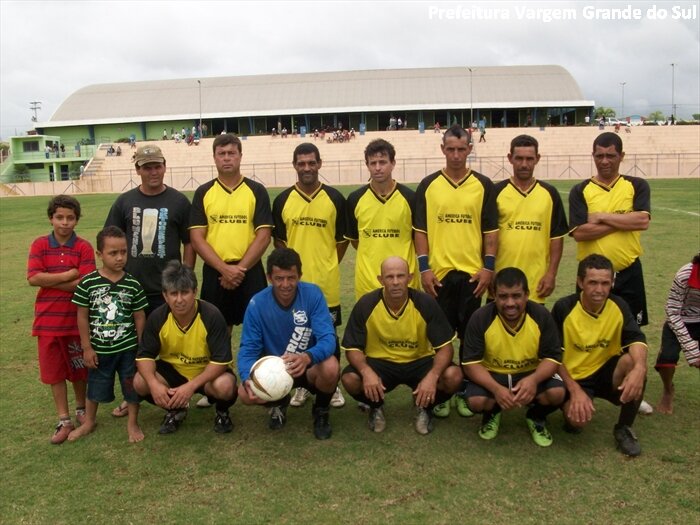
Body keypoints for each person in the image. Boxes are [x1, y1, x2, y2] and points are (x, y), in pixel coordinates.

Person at [414, 123, 498, 418]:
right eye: (450, 149)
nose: (456, 155)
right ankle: (443, 390)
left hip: (473, 275)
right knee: (440, 337)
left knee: (469, 336)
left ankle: (464, 388)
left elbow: (490, 232)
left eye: (461, 149)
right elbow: (420, 232)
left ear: (470, 150)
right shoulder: (428, 184)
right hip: (439, 275)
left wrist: (488, 268)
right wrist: (424, 269)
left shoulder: (484, 184)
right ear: (442, 149)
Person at [105, 144, 195, 416]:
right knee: (133, 345)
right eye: (147, 167)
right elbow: (112, 238)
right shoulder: (124, 201)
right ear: (137, 170)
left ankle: (176, 391)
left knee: (167, 344)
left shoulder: (179, 201)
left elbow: (189, 242)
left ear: (165, 166)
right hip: (131, 289)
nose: (153, 172)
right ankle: (132, 396)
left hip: (167, 290)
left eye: (157, 166)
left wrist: (185, 277)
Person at [341, 256, 462, 434]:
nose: (396, 282)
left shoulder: (425, 303)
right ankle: (376, 406)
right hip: (381, 362)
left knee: (454, 376)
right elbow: (353, 348)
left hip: (418, 361)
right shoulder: (366, 304)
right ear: (380, 280)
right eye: (390, 277)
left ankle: (425, 406)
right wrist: (367, 372)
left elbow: (445, 348)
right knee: (350, 379)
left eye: (401, 276)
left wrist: (433, 376)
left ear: (410, 278)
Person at [272, 143, 347, 410]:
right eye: (301, 163)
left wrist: (326, 263)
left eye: (311, 162)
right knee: (298, 333)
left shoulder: (335, 199)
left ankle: (332, 383)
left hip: (326, 282)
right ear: (294, 165)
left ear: (319, 163)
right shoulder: (282, 200)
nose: (307, 168)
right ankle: (301, 386)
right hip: (294, 285)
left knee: (329, 334)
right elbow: (280, 242)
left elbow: (341, 241)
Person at [237, 248, 339, 440]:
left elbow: (328, 338)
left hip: (307, 366)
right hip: (274, 370)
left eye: (291, 278)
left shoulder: (313, 295)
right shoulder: (257, 304)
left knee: (331, 367)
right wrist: (246, 378)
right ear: (269, 277)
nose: (285, 284)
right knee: (244, 393)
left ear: (299, 275)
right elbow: (248, 349)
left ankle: (321, 411)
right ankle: (278, 402)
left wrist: (307, 356)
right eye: (279, 278)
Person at [552, 254, 648, 457]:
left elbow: (637, 339)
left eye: (605, 283)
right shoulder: (564, 308)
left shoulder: (619, 305)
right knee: (577, 421)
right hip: (575, 377)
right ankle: (572, 409)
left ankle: (624, 428)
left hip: (606, 373)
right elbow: (553, 358)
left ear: (612, 282)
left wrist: (640, 368)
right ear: (580, 282)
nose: (599, 290)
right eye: (593, 282)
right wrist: (575, 390)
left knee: (634, 362)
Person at [461, 268, 565, 447]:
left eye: (516, 296)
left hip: (529, 373)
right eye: (503, 296)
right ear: (494, 295)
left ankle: (536, 416)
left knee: (557, 393)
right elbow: (471, 364)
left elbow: (553, 358)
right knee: (476, 401)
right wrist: (496, 389)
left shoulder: (541, 316)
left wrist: (533, 379)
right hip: (494, 374)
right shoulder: (481, 318)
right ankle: (492, 413)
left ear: (527, 295)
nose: (510, 303)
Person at [134, 261, 237, 435]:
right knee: (140, 382)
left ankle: (222, 412)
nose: (179, 299)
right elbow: (144, 356)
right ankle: (176, 410)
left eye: (185, 292)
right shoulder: (158, 317)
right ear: (165, 296)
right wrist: (153, 384)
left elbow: (221, 361)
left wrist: (190, 387)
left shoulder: (211, 315)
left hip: (206, 372)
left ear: (195, 292)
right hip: (173, 371)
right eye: (173, 293)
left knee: (225, 385)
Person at [68, 226, 148, 442]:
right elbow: (82, 316)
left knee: (131, 386)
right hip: (100, 350)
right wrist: (86, 347)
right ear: (99, 254)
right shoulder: (88, 283)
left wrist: (141, 347)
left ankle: (132, 423)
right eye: (113, 253)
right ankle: (89, 421)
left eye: (123, 252)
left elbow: (140, 316)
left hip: (128, 349)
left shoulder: (132, 284)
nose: (120, 257)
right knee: (95, 386)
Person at [27, 195, 96, 444]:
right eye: (60, 217)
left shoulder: (84, 247)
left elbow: (85, 285)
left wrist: (51, 279)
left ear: (76, 220)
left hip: (77, 320)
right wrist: (68, 274)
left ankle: (81, 409)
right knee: (54, 372)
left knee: (79, 369)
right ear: (51, 218)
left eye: (70, 218)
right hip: (47, 322)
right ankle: (63, 418)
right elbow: (33, 278)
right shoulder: (39, 245)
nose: (64, 223)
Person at [189, 133, 272, 332]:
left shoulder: (256, 190)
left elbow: (264, 236)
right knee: (218, 331)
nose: (227, 158)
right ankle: (223, 365)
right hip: (215, 273)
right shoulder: (203, 192)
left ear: (240, 156)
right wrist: (224, 269)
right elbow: (197, 238)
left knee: (258, 330)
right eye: (222, 153)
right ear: (214, 157)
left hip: (249, 271)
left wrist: (239, 269)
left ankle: (256, 364)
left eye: (232, 153)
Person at [569, 132, 651, 326]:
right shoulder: (580, 190)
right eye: (599, 156)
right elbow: (579, 233)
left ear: (621, 156)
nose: (604, 161)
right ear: (593, 156)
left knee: (631, 331)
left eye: (611, 156)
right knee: (590, 330)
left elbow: (642, 221)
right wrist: (624, 220)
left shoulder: (637, 185)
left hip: (629, 272)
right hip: (591, 276)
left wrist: (601, 217)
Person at [494, 135, 568, 303]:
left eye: (529, 159)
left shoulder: (550, 193)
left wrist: (551, 274)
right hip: (500, 283)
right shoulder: (496, 192)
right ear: (510, 158)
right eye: (519, 158)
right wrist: (488, 269)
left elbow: (556, 238)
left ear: (537, 159)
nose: (524, 164)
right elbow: (487, 237)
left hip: (536, 284)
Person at [346, 138, 420, 301]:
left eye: (383, 162)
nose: (378, 168)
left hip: (404, 282)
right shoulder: (355, 199)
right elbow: (356, 241)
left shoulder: (410, 198)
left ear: (393, 163)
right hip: (367, 283)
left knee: (406, 326)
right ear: (367, 165)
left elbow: (418, 239)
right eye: (373, 163)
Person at [654, 253, 700, 413]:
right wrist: (691, 349)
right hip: (680, 319)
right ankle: (668, 390)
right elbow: (672, 311)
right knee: (667, 358)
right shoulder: (685, 274)